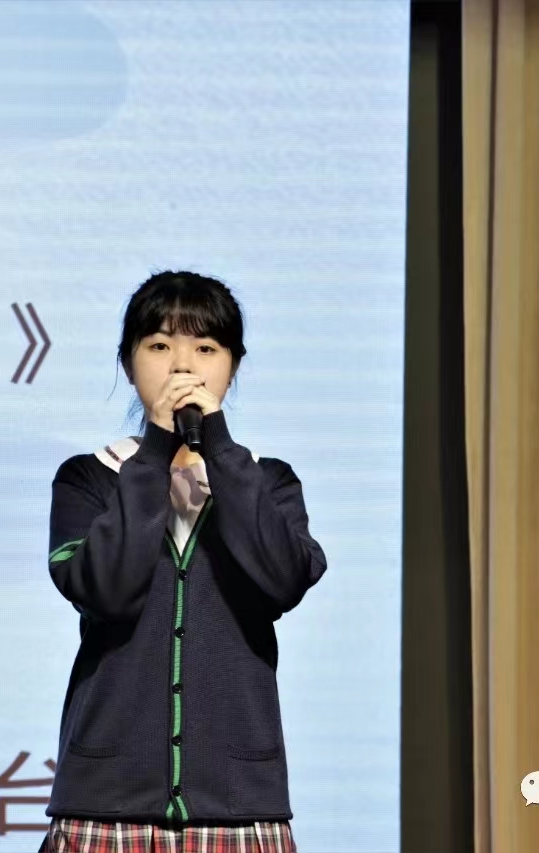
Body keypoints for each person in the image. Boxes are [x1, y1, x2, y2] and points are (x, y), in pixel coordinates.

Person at [40, 270, 328, 853]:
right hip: (106, 806)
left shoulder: (268, 481)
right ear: (127, 364)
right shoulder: (88, 479)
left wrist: (217, 447)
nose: (182, 367)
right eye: (158, 346)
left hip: (239, 806)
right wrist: (153, 449)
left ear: (233, 367)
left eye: (206, 348)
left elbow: (282, 581)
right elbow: (106, 590)